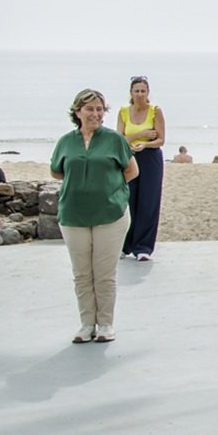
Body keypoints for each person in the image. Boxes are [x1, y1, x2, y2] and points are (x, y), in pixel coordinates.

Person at [50, 89, 137, 343]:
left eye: (99, 109)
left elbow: (131, 171)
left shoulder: (114, 140)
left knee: (104, 272)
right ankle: (87, 323)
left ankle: (106, 324)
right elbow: (56, 171)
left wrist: (107, 186)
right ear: (78, 112)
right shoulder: (66, 142)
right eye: (89, 109)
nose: (95, 114)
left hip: (110, 214)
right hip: (73, 214)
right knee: (82, 273)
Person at [117, 77, 166, 263]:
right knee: (131, 202)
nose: (139, 94)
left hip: (150, 158)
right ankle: (126, 245)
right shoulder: (123, 112)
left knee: (149, 202)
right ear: (131, 92)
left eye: (143, 91)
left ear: (148, 92)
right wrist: (142, 135)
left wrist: (145, 145)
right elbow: (119, 140)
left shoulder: (155, 111)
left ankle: (143, 248)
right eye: (136, 91)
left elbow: (161, 139)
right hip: (129, 158)